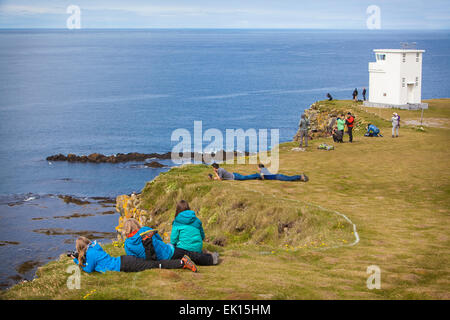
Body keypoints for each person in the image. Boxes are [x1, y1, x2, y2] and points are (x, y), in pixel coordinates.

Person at [70, 236, 198, 273]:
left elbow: (88, 269)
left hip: (125, 265)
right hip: (124, 260)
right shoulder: (95, 247)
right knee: (152, 263)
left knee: (154, 265)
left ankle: (182, 263)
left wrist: (76, 261)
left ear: (80, 248)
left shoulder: (90, 253)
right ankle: (182, 262)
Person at [124, 217, 218, 266]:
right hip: (167, 252)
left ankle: (208, 257)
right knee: (190, 254)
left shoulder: (127, 244)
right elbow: (159, 238)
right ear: (136, 224)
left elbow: (132, 258)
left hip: (154, 261)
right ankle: (212, 259)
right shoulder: (145, 230)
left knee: (184, 256)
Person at [170, 200, 219, 265]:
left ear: (177, 210)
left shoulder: (177, 221)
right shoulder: (197, 220)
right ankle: (207, 255)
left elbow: (173, 240)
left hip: (182, 250)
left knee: (170, 246)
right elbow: (202, 237)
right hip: (197, 250)